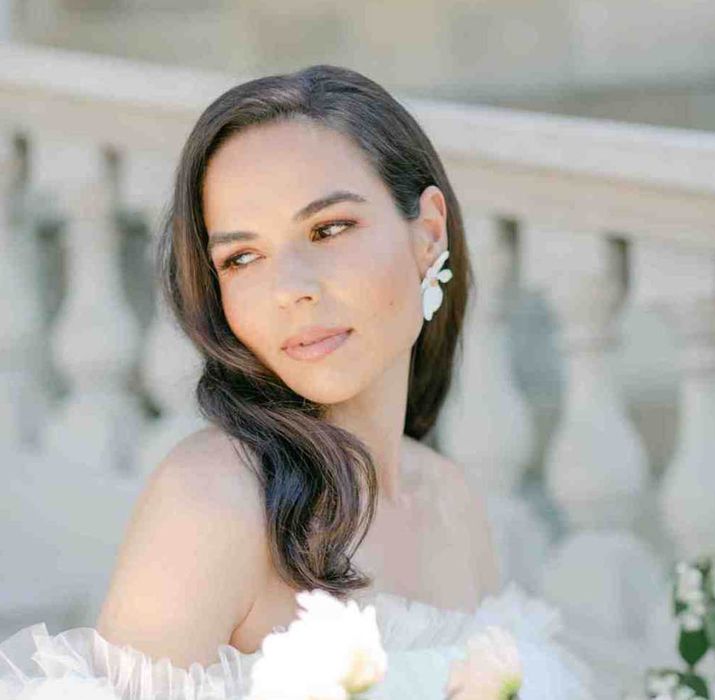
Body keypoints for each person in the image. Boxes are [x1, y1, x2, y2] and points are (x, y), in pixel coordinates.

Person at [0, 64, 595, 699]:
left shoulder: (453, 502)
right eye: (243, 258)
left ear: (427, 234)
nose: (291, 289)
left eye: (329, 228)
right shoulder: (213, 502)